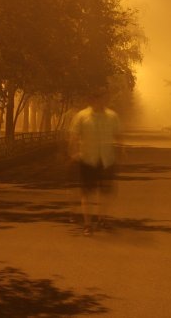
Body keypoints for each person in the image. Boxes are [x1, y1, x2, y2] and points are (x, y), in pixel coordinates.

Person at [69, 89, 121, 236]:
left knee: (106, 192)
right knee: (87, 193)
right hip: (88, 159)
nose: (101, 101)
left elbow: (118, 135)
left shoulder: (112, 116)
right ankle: (87, 224)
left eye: (104, 98)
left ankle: (102, 218)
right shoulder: (82, 116)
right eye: (98, 98)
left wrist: (120, 151)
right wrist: (73, 153)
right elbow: (74, 136)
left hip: (107, 159)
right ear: (92, 99)